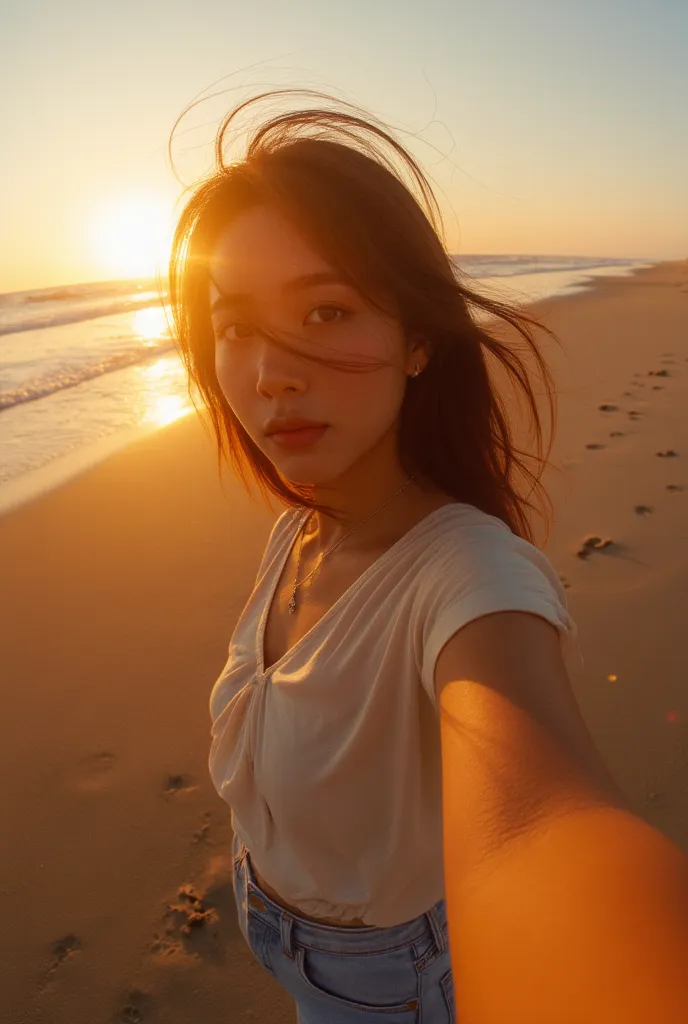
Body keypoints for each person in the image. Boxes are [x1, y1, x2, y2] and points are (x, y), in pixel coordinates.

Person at [166, 88, 688, 1022]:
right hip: (285, 935)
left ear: (416, 339)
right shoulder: (301, 526)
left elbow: (542, 823)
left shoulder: (471, 577)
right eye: (235, 324)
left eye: (326, 311)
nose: (268, 370)